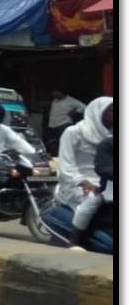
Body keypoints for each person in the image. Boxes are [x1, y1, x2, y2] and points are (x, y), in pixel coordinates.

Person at [45, 97, 114, 251]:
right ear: (98, 111)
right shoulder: (74, 132)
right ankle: (76, 240)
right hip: (79, 181)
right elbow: (66, 165)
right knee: (93, 201)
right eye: (111, 110)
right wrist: (83, 182)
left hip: (107, 180)